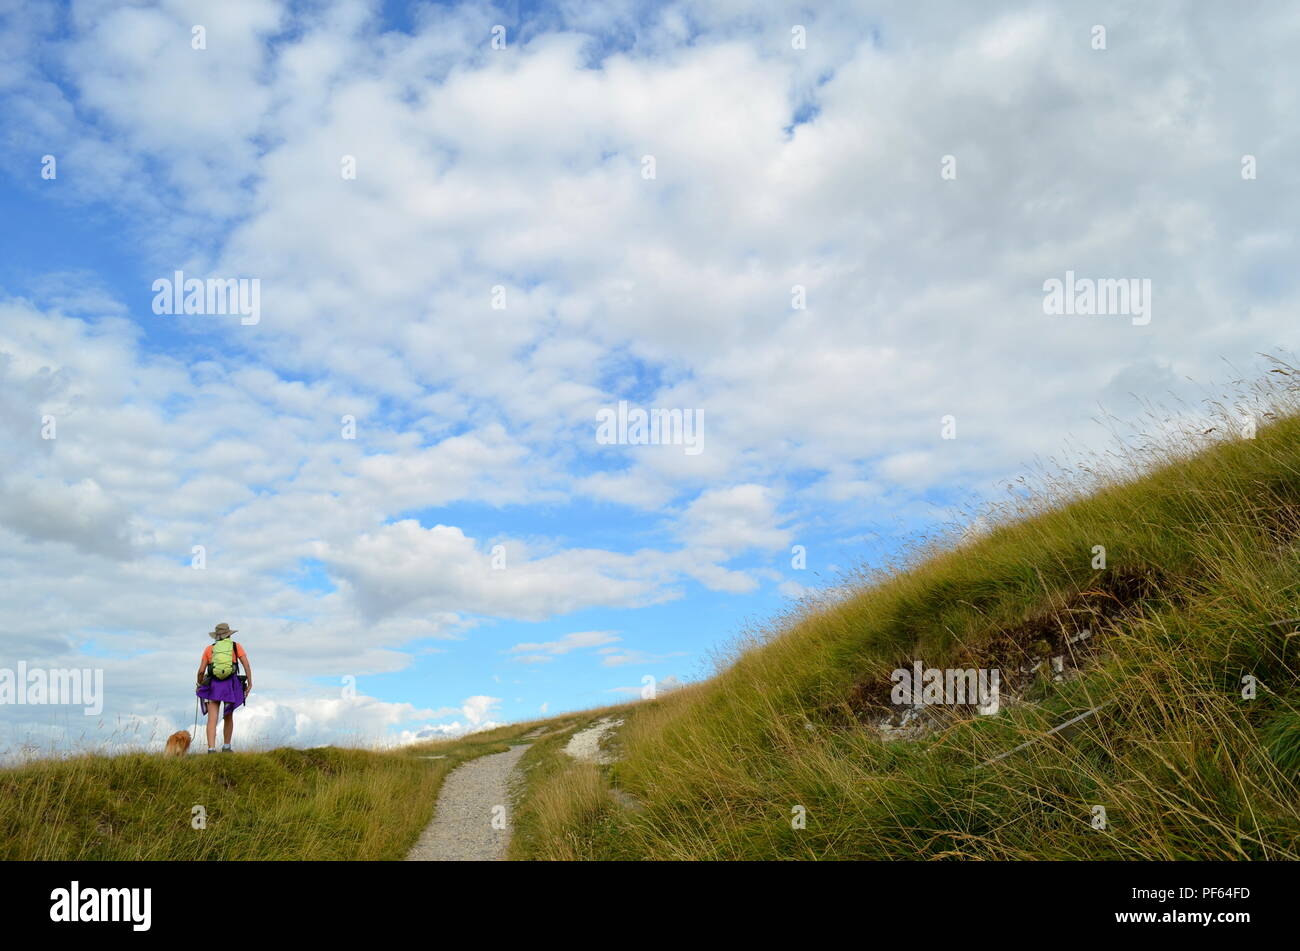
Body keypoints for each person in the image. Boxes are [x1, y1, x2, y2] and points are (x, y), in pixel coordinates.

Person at [195, 622, 253, 753]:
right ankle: (226, 747)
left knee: (212, 719)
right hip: (230, 685)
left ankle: (211, 749)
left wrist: (199, 684)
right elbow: (246, 665)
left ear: (216, 636)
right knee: (228, 716)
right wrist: (249, 683)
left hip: (213, 686)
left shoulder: (209, 649)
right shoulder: (235, 647)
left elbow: (201, 671)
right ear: (228, 634)